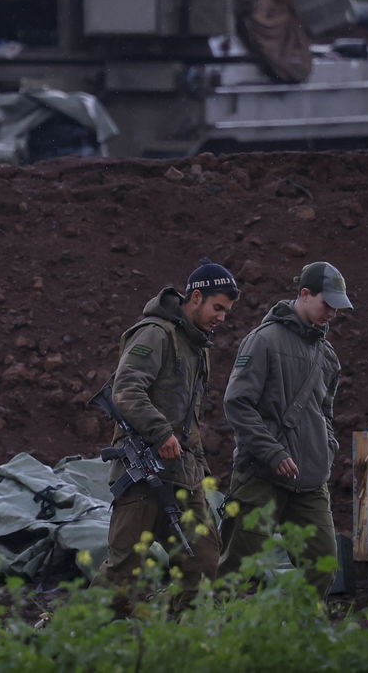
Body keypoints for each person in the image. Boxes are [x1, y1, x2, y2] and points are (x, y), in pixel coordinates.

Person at [93, 258, 239, 607]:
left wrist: (201, 471)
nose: (222, 317)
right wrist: (161, 433)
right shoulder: (155, 334)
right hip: (143, 477)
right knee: (123, 572)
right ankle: (73, 640)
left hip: (182, 476)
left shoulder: (197, 347)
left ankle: (178, 643)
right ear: (195, 297)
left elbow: (191, 422)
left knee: (202, 565)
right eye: (218, 308)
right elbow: (127, 390)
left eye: (227, 311)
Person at [218, 261, 349, 595]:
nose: (333, 313)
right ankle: (215, 639)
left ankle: (293, 639)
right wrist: (272, 452)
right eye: (327, 304)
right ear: (305, 294)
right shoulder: (263, 341)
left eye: (338, 307)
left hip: (309, 482)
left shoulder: (328, 356)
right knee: (235, 572)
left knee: (322, 566)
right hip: (261, 476)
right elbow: (237, 403)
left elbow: (326, 413)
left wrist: (326, 450)